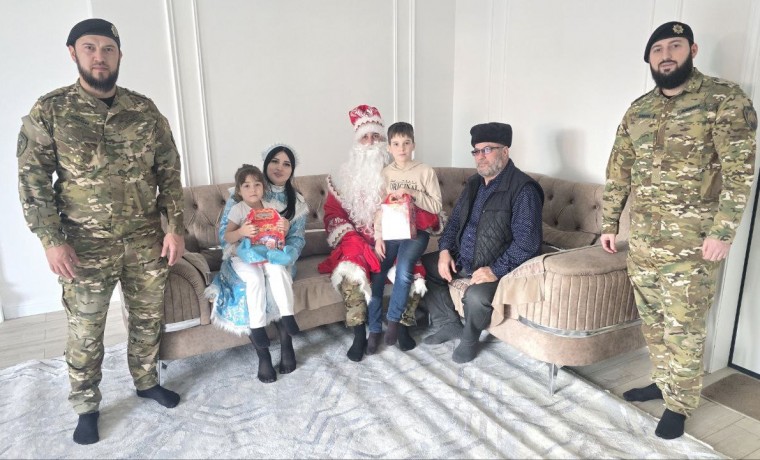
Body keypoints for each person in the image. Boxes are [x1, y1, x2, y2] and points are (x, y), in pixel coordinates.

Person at [16, 18, 185, 445]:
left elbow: (169, 171)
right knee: (86, 330)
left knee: (147, 319)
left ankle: (146, 382)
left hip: (145, 239)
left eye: (108, 48)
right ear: (73, 53)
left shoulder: (144, 110)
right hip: (83, 246)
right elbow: (33, 180)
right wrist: (51, 240)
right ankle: (86, 405)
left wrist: (175, 228)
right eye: (89, 47)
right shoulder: (51, 110)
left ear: (119, 55)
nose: (99, 56)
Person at [601, 21, 757, 440]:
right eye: (658, 50)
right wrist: (609, 222)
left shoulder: (724, 99)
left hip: (693, 245)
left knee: (683, 328)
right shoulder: (638, 110)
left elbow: (739, 172)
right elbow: (619, 170)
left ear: (692, 50)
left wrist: (723, 232)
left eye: (675, 46)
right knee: (653, 321)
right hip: (644, 241)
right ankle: (663, 382)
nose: (666, 55)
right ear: (649, 59)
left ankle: (679, 404)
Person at [420, 122, 544, 363]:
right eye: (476, 151)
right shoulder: (474, 184)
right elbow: (454, 223)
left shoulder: (523, 190)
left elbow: (527, 244)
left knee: (476, 297)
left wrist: (494, 270)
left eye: (487, 149)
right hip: (465, 258)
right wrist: (444, 250)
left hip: (499, 267)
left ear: (505, 151)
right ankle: (448, 323)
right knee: (423, 267)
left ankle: (469, 339)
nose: (480, 157)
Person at [318, 105, 426, 361]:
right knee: (351, 274)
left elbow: (416, 207)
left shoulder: (398, 174)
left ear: (384, 142)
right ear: (357, 142)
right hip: (355, 243)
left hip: (391, 239)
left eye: (375, 136)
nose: (370, 142)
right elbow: (333, 216)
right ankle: (359, 335)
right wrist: (354, 240)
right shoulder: (342, 179)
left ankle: (402, 327)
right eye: (364, 137)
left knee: (412, 270)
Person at [207, 151, 307, 384]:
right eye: (275, 161)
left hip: (273, 254)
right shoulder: (239, 204)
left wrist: (284, 232)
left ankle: (287, 336)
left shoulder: (289, 202)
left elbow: (294, 238)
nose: (280, 167)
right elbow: (226, 236)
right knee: (253, 282)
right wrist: (242, 233)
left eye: (287, 164)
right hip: (243, 255)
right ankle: (262, 351)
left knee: (277, 274)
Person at [368, 122, 442, 352]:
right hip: (391, 232)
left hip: (416, 233)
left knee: (404, 270)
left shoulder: (425, 171)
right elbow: (379, 209)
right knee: (377, 272)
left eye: (406, 143)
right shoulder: (385, 174)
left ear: (413, 145)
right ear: (389, 147)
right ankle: (374, 329)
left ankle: (394, 321)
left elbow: (436, 206)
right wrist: (378, 237)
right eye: (396, 144)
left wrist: (412, 193)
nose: (401, 148)